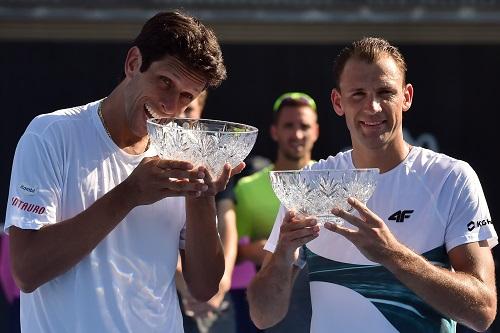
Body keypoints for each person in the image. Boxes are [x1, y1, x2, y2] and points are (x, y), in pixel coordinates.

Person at [4, 11, 244, 333]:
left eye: (187, 97)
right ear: (133, 63)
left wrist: (202, 196)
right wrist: (129, 194)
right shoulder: (51, 134)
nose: (171, 106)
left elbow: (203, 288)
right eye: (165, 82)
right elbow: (27, 270)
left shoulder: (184, 154)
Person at [247, 37, 497, 333]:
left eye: (384, 92)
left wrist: (392, 254)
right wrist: (283, 254)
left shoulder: (451, 177)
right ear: (338, 102)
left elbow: (483, 311)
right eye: (358, 94)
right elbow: (263, 315)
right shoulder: (311, 183)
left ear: (406, 96)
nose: (372, 107)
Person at [233, 92, 319, 332]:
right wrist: (274, 248)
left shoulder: (329, 182)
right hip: (266, 304)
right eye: (288, 126)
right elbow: (233, 252)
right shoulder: (247, 188)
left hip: (317, 303)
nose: (297, 134)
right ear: (274, 131)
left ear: (316, 131)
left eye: (304, 126)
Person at [175, 90, 238, 333]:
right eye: (178, 109)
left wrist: (223, 282)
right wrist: (184, 284)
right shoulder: (152, 160)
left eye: (190, 109)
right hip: (167, 292)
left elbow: (227, 222)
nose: (182, 116)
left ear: (201, 112)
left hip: (213, 294)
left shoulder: (216, 161)